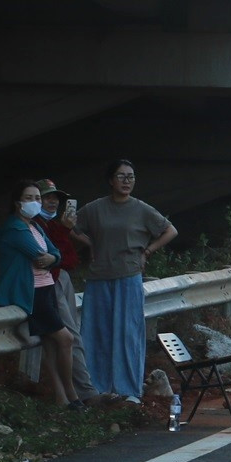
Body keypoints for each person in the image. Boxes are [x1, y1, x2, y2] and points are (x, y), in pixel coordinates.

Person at [73, 160, 176, 404]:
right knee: (96, 332)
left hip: (129, 276)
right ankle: (96, 388)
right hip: (99, 277)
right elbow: (71, 227)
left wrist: (147, 251)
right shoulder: (95, 208)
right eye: (121, 176)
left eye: (131, 176)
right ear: (111, 180)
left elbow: (170, 230)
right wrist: (91, 244)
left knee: (128, 333)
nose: (127, 181)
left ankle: (129, 389)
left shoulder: (141, 209)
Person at [0, 181, 82, 410]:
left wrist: (53, 258)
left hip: (46, 287)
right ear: (17, 203)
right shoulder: (15, 228)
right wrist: (51, 257)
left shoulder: (35, 227)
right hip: (31, 293)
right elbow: (37, 254)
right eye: (30, 198)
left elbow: (55, 254)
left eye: (37, 198)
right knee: (66, 339)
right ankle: (72, 395)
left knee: (51, 343)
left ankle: (61, 397)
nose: (35, 203)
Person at [32, 179, 100, 405]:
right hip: (48, 282)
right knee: (69, 336)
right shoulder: (36, 224)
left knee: (66, 337)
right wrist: (63, 232)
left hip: (60, 278)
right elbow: (48, 256)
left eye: (56, 198)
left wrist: (63, 236)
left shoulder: (54, 225)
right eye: (47, 197)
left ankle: (74, 394)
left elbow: (69, 259)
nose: (52, 202)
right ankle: (85, 393)